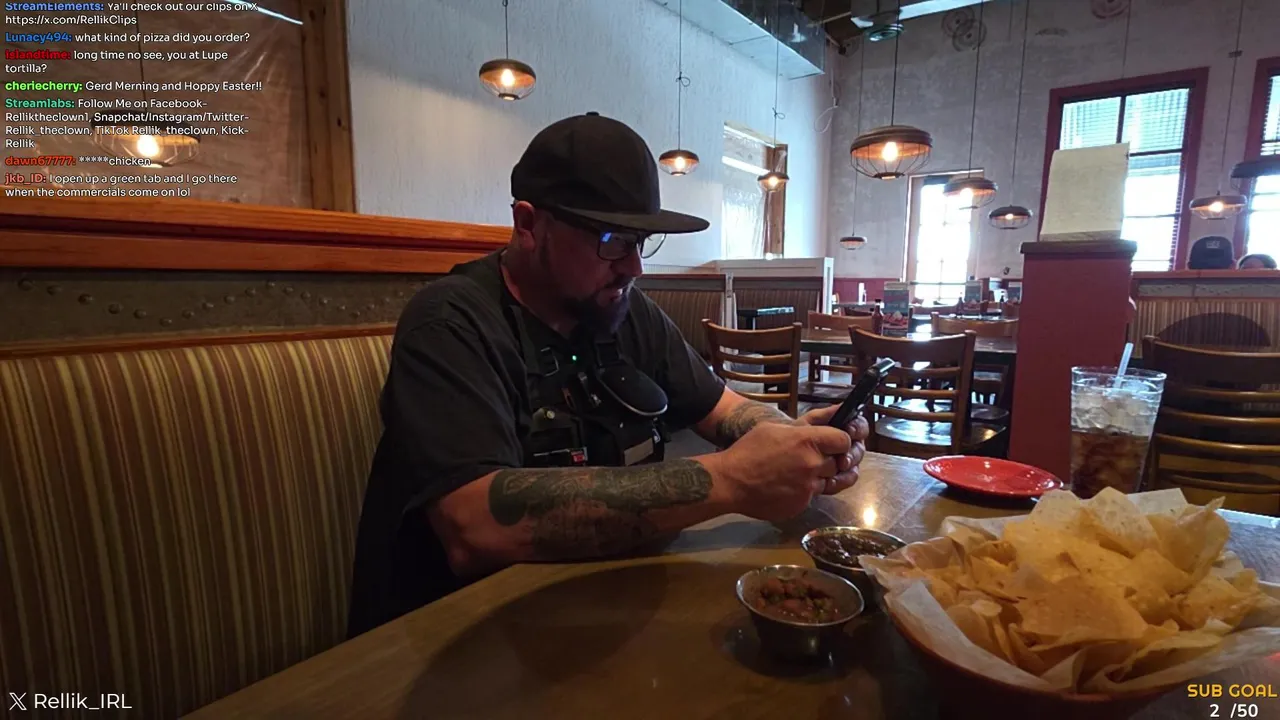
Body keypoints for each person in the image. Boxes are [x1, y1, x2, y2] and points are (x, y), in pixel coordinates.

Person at [346, 112, 870, 637]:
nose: (634, 267)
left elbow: (721, 406)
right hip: (451, 637)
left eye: (642, 241)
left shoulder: (623, 309)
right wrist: (733, 479)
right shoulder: (451, 323)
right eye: (612, 239)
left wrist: (792, 441)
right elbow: (475, 525)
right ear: (528, 225)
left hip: (595, 614)